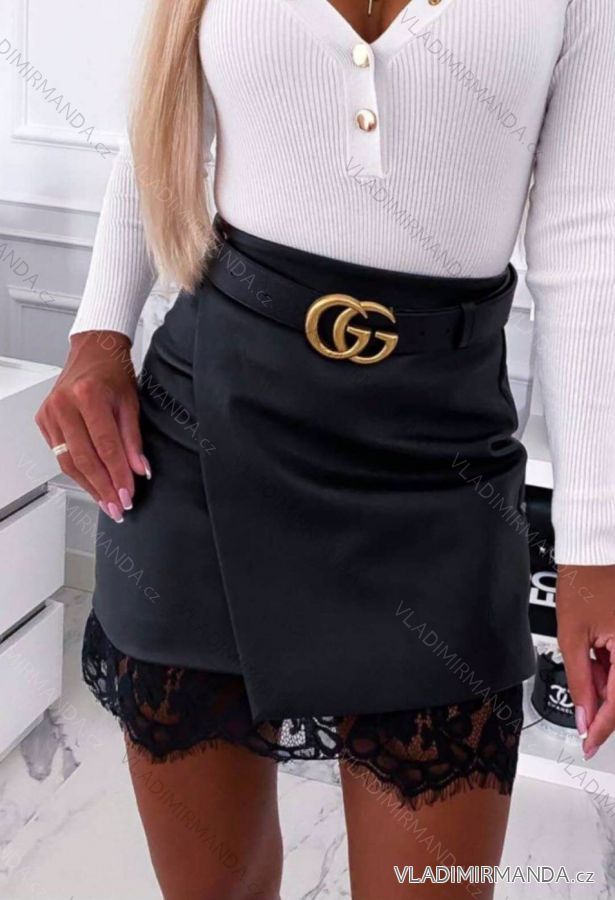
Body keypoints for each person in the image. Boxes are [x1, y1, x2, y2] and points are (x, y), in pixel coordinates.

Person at [35, 1, 615, 898]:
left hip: (438, 466)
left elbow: (589, 237)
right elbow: (164, 121)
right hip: (203, 434)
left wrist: (597, 546)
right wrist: (99, 332)